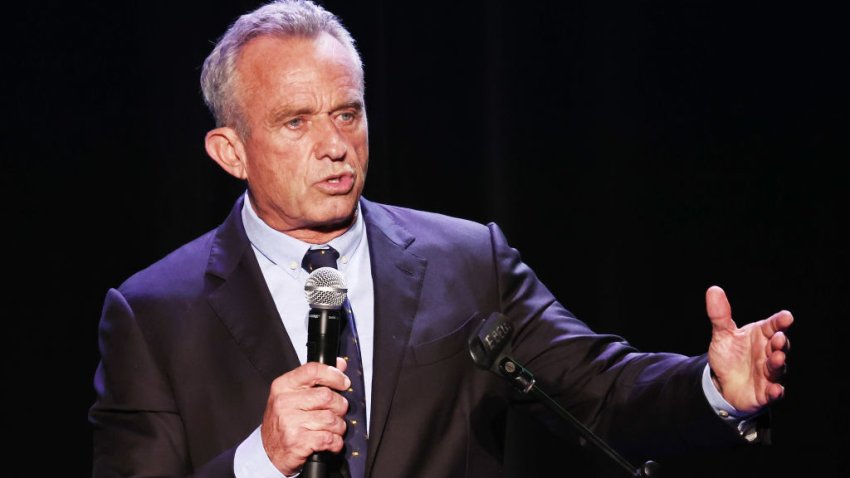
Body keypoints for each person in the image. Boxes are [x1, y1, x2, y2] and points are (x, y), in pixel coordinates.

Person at [88, 1, 793, 477]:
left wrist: (714, 388)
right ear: (230, 152)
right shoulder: (154, 315)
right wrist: (261, 460)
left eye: (347, 113)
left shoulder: (467, 261)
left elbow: (602, 391)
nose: (336, 145)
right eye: (296, 123)